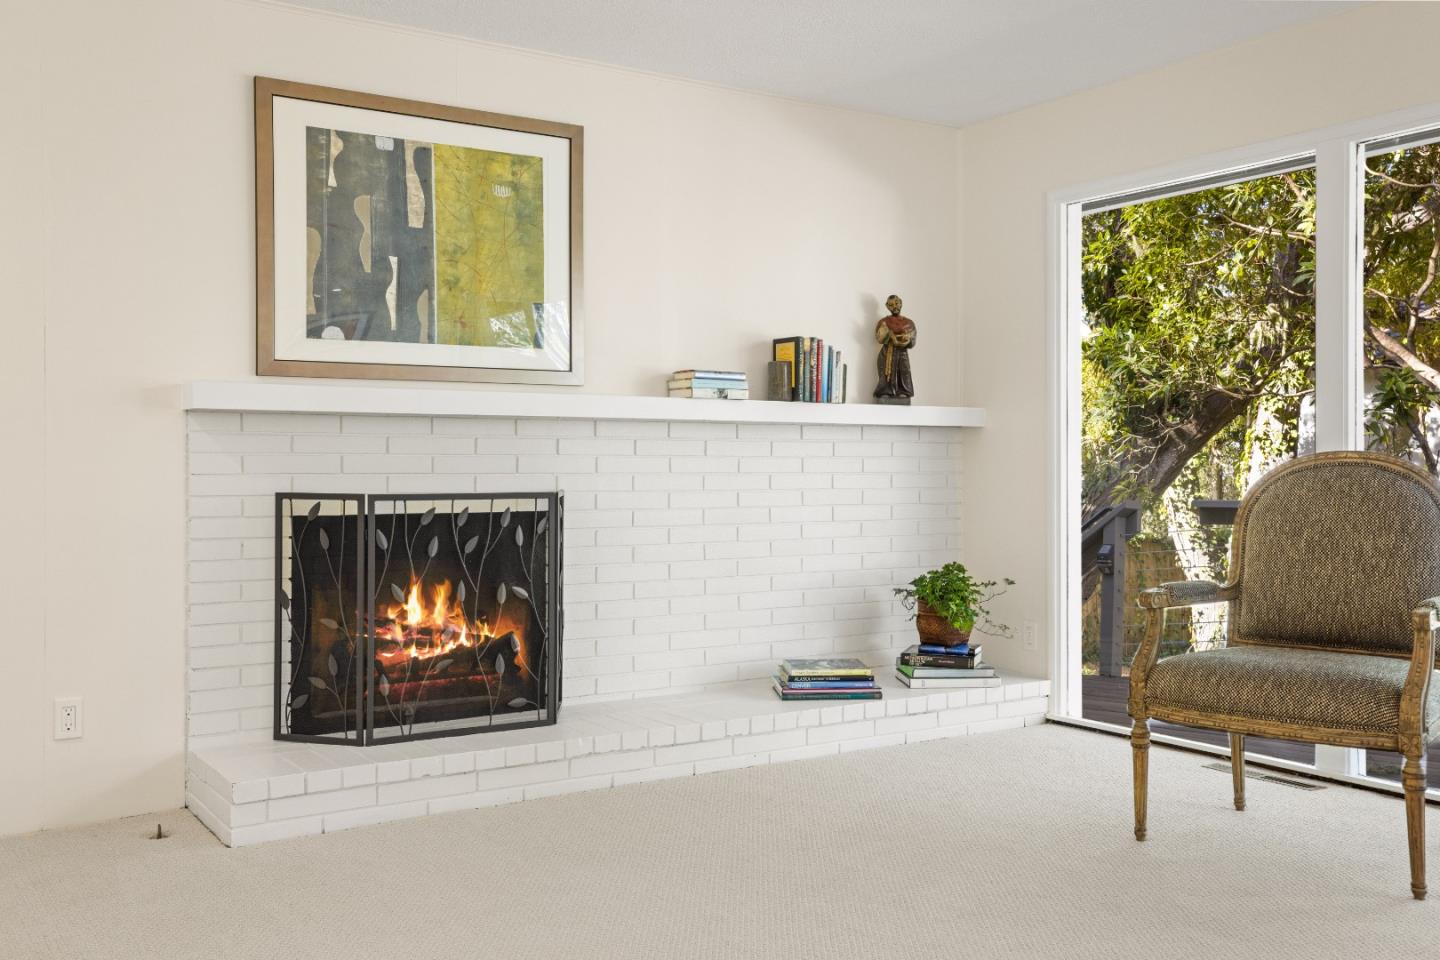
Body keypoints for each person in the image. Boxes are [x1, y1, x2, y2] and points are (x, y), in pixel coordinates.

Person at [873, 294, 916, 402]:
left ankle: (904, 391)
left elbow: (912, 339)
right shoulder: (883, 322)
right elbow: (879, 338)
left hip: (902, 353)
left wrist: (907, 339)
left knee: (904, 372)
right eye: (891, 305)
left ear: (901, 303)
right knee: (885, 374)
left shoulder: (909, 323)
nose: (895, 307)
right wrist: (888, 334)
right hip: (887, 352)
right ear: (887, 306)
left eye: (896, 303)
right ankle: (885, 391)